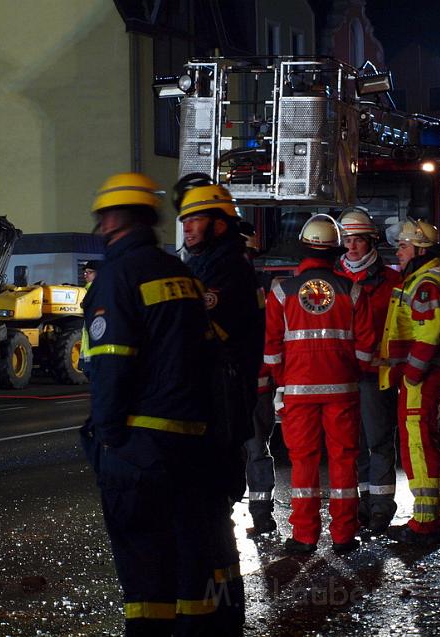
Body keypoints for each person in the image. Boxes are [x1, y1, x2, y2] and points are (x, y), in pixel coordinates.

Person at [80, 172, 240, 636]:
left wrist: (109, 440)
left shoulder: (117, 277)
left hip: (140, 447)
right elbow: (213, 361)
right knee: (190, 560)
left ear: (111, 220)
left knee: (144, 568)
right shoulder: (183, 275)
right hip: (193, 445)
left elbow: (111, 366)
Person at [176, 176, 262, 630]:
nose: (187, 227)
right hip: (219, 399)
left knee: (211, 510)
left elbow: (199, 323)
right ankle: (223, 609)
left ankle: (219, 614)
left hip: (222, 404)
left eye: (196, 219)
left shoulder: (227, 268)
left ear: (221, 223)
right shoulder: (208, 262)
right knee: (213, 516)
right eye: (185, 219)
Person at [264, 214, 376, 554]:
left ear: (303, 247)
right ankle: (343, 536)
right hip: (342, 390)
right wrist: (349, 372)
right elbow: (366, 348)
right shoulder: (354, 291)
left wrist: (284, 382)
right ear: (335, 250)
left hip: (297, 392)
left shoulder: (281, 291)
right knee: (344, 461)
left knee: (304, 463)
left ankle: (304, 536)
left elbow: (271, 349)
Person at [380, 219, 440, 546]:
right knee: (425, 444)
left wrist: (410, 374)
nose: (398, 252)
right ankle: (437, 515)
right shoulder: (422, 280)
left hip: (420, 380)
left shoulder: (425, 283)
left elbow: (428, 335)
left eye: (403, 246)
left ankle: (425, 524)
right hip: (422, 377)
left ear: (420, 249)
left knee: (417, 447)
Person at [334, 207, 402, 533]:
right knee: (354, 444)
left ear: (371, 241)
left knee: (378, 441)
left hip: (376, 375)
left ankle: (381, 509)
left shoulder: (392, 281)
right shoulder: (333, 280)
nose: (351, 247)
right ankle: (362, 506)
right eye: (346, 240)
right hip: (343, 375)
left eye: (357, 240)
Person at [238, 221, 279, 535]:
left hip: (251, 385)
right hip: (255, 383)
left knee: (254, 450)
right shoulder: (262, 285)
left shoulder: (257, 287)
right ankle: (261, 516)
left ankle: (261, 515)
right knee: (256, 451)